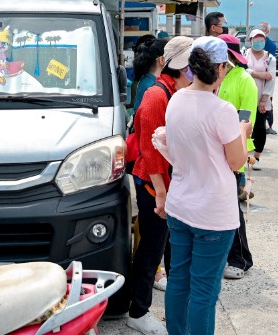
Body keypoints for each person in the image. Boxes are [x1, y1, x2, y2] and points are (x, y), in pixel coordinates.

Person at [161, 37, 249, 335]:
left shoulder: (175, 99)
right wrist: (241, 130)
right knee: (204, 292)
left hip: (180, 204)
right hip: (212, 212)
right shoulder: (221, 110)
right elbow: (236, 162)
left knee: (179, 281)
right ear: (221, 69)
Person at [126, 36, 193, 335]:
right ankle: (137, 311)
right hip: (154, 184)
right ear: (183, 67)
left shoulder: (174, 90)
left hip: (166, 183)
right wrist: (162, 195)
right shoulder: (156, 96)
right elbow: (150, 150)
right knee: (150, 249)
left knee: (165, 244)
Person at [216, 33, 257, 280]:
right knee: (222, 204)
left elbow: (245, 120)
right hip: (216, 149)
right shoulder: (218, 77)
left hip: (236, 149)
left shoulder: (244, 79)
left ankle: (241, 259)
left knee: (232, 206)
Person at [245, 28, 275, 169]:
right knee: (244, 125)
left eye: (261, 40)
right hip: (245, 97)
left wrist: (264, 100)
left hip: (262, 98)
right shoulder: (244, 54)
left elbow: (271, 79)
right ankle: (243, 154)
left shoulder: (270, 58)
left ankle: (256, 157)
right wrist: (259, 74)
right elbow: (243, 70)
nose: (258, 43)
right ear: (250, 40)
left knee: (259, 127)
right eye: (256, 40)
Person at [257, 22, 278, 134]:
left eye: (264, 29)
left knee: (267, 101)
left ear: (267, 31)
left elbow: (270, 66)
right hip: (253, 83)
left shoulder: (271, 45)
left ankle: (268, 125)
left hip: (266, 81)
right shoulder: (249, 49)